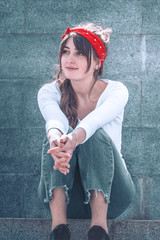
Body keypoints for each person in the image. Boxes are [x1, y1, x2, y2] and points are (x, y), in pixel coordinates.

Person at [37, 23, 136, 240]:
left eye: (80, 53)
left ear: (97, 62)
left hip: (114, 194)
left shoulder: (116, 91)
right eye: (66, 52)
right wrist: (58, 140)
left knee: (92, 133)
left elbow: (92, 122)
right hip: (66, 196)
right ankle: (59, 228)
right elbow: (55, 120)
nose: (69, 59)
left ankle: (99, 230)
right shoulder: (49, 91)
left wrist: (74, 138)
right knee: (54, 138)